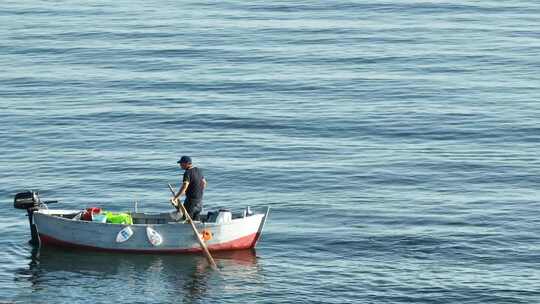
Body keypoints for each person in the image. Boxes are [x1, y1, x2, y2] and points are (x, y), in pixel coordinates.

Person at [171, 156, 207, 220]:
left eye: (181, 163)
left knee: (187, 220)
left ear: (187, 163)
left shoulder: (187, 173)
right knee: (196, 221)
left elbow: (185, 186)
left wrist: (175, 198)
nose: (180, 165)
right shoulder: (198, 170)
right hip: (200, 201)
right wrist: (198, 192)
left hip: (191, 202)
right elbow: (204, 183)